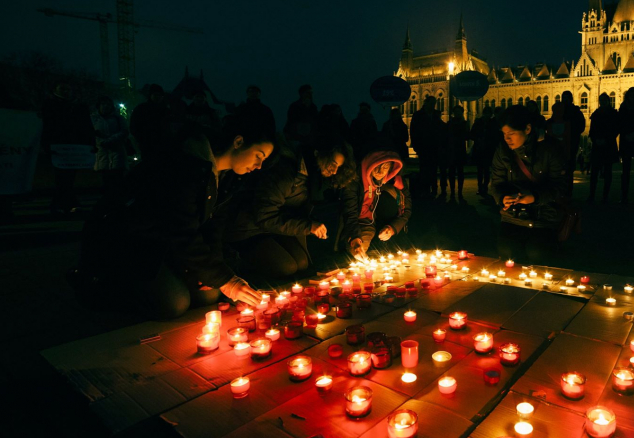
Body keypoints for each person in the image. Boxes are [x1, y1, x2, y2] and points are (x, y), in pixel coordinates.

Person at [75, 117, 274, 319]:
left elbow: (213, 227)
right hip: (131, 243)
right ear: (238, 142)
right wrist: (225, 280)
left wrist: (214, 271)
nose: (258, 166)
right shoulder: (183, 164)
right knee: (175, 304)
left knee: (208, 294)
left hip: (169, 243)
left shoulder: (227, 177)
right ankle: (103, 290)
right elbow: (180, 230)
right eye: (259, 155)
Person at [226, 137, 354, 279]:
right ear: (318, 153)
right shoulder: (286, 173)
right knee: (288, 267)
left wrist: (311, 222)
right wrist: (308, 226)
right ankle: (241, 265)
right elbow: (265, 216)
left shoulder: (312, 178)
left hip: (275, 229)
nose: (335, 171)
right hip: (249, 230)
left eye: (339, 167)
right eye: (333, 164)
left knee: (302, 263)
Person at [491, 105, 566, 263]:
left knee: (537, 253)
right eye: (504, 134)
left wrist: (535, 197)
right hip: (513, 216)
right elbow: (497, 182)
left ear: (527, 128)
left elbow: (560, 186)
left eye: (511, 134)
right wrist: (502, 198)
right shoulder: (503, 150)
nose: (507, 139)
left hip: (544, 216)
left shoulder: (549, 149)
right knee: (507, 252)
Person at [341, 149, 412, 260]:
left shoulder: (395, 181)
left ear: (390, 168)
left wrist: (392, 228)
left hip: (384, 223)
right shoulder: (355, 181)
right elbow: (350, 212)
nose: (380, 171)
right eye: (377, 166)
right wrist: (354, 239)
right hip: (362, 223)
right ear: (370, 164)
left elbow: (406, 210)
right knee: (360, 253)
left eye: (385, 167)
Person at [41, 81, 94, 214]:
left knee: (68, 175)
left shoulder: (78, 106)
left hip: (72, 145)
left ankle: (62, 203)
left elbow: (86, 125)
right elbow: (46, 126)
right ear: (55, 89)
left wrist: (90, 143)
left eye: (68, 89)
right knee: (62, 175)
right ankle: (65, 203)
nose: (66, 91)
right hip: (60, 145)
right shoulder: (50, 105)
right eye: (63, 89)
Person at [91, 96, 129, 193]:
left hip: (117, 153)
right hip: (102, 153)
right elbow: (90, 132)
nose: (106, 107)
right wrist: (101, 141)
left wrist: (110, 140)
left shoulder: (118, 118)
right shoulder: (93, 118)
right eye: (103, 104)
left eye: (108, 104)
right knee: (105, 180)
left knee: (118, 180)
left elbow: (124, 132)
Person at [587, 93, 619, 203]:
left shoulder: (613, 114)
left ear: (608, 101)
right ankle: (592, 195)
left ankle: (605, 196)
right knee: (594, 172)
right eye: (601, 100)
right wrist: (595, 139)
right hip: (598, 145)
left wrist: (605, 139)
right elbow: (592, 130)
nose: (603, 102)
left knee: (608, 172)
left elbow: (615, 129)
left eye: (605, 100)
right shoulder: (596, 114)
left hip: (608, 145)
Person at [130, 84, 172, 161]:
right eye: (155, 95)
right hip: (148, 144)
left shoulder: (166, 110)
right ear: (150, 95)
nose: (158, 97)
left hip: (161, 144)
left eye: (160, 95)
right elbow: (134, 126)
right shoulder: (141, 109)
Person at [410, 96, 438, 197]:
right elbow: (413, 131)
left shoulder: (436, 114)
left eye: (434, 103)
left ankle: (434, 189)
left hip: (434, 147)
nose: (433, 105)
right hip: (423, 147)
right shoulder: (417, 115)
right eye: (432, 103)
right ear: (426, 103)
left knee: (434, 168)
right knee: (424, 168)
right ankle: (425, 189)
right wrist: (416, 146)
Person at [470, 106, 498, 195]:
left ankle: (484, 187)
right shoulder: (478, 122)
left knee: (486, 170)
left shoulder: (493, 123)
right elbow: (472, 134)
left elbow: (495, 136)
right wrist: (478, 139)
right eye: (486, 113)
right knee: (480, 170)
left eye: (489, 114)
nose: (487, 115)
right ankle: (480, 187)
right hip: (480, 149)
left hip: (488, 149)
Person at [447, 105, 470, 200]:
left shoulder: (464, 123)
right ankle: (452, 191)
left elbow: (467, 136)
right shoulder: (450, 123)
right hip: (452, 150)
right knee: (452, 172)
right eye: (456, 112)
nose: (457, 113)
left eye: (459, 112)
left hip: (460, 149)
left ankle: (460, 191)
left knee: (460, 172)